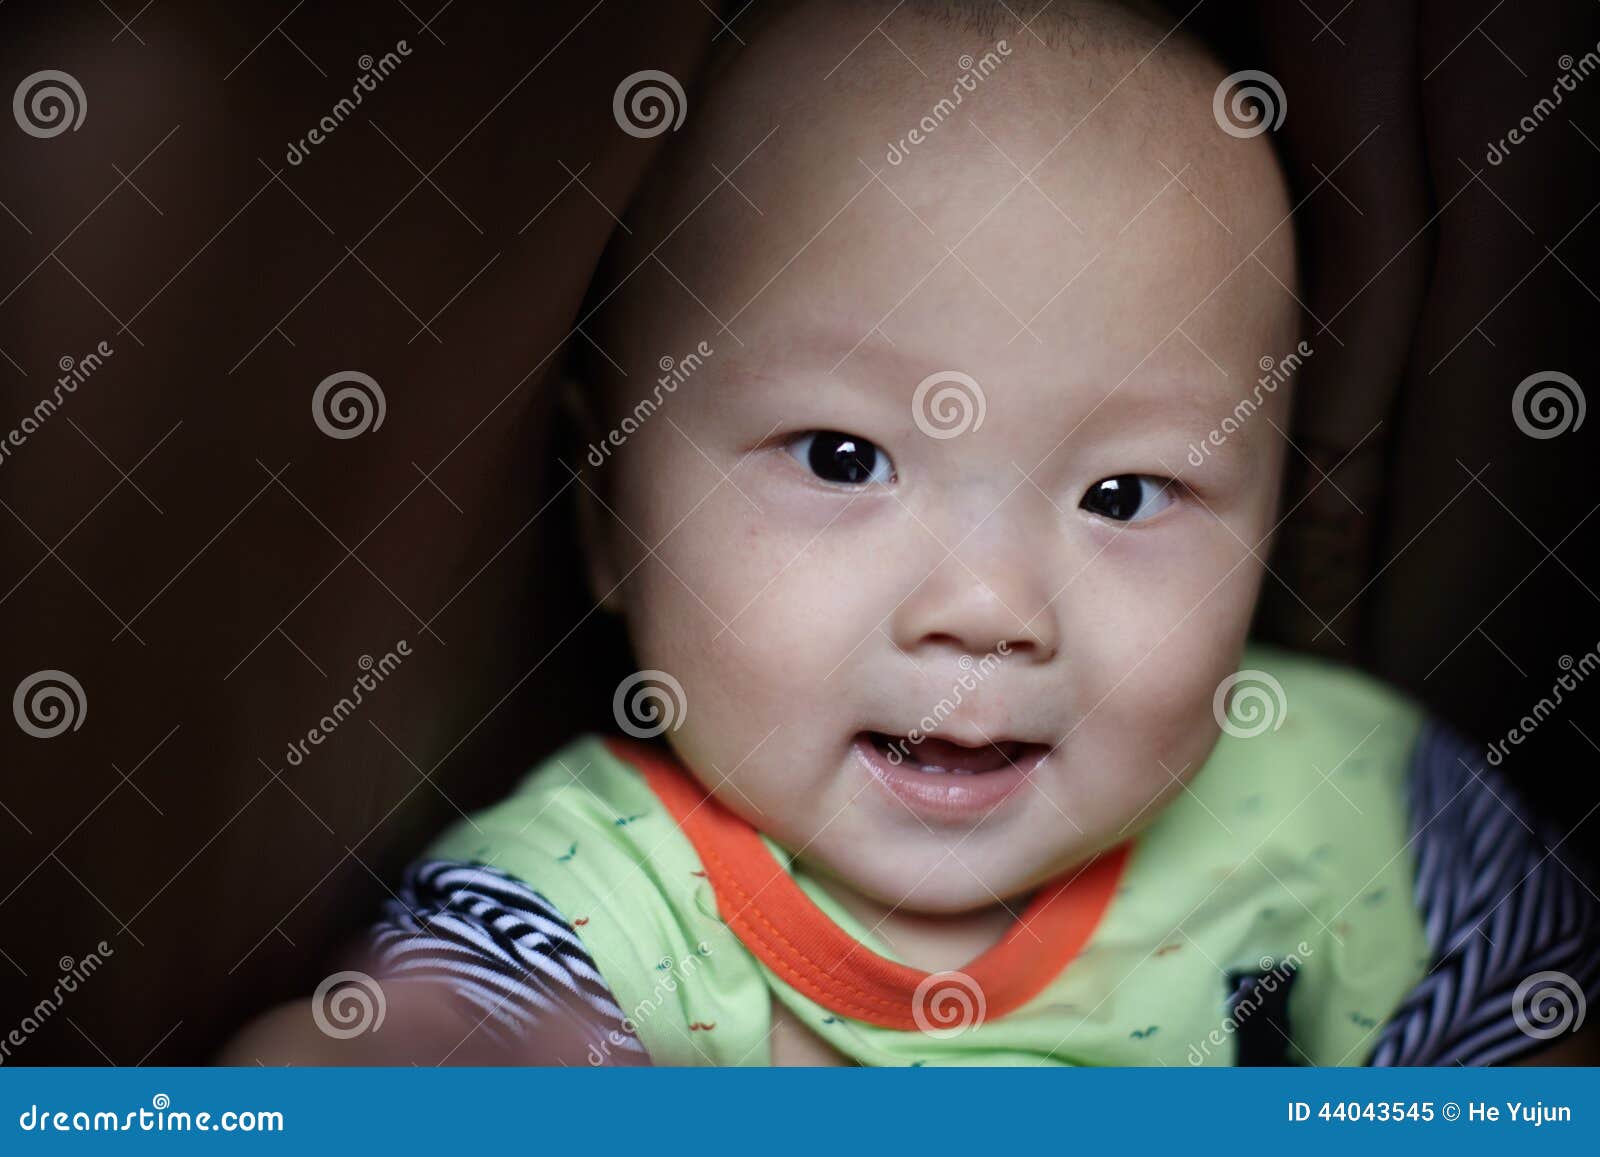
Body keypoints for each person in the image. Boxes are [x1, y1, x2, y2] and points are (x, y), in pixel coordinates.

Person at [224, 0, 1599, 1066]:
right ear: (608, 515)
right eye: (842, 458)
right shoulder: (608, 892)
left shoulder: (1344, 802)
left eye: (1123, 495)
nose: (989, 605)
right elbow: (419, 1043)